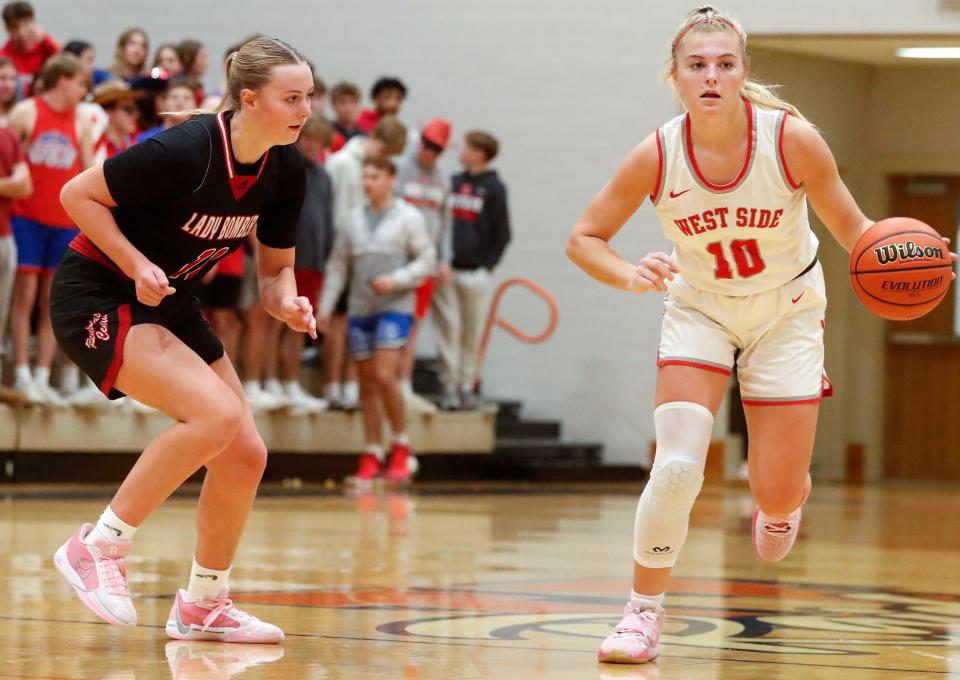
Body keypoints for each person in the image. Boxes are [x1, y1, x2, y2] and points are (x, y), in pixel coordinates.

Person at [566, 5, 957, 665]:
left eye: (725, 64)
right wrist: (632, 274)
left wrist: (917, 257)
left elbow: (856, 233)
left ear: (744, 71)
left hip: (787, 310)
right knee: (678, 467)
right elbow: (584, 239)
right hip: (700, 309)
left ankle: (782, 501)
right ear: (676, 76)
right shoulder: (657, 153)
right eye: (697, 65)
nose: (711, 75)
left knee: (773, 492)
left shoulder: (792, 141)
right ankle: (641, 614)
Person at [50, 36, 315, 643]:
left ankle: (204, 605)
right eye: (292, 97)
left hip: (168, 303)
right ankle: (100, 547)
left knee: (245, 454)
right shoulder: (186, 148)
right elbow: (77, 195)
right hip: (100, 295)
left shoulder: (285, 166)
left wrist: (288, 303)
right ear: (249, 99)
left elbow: (275, 271)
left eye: (308, 96)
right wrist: (135, 262)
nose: (305, 109)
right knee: (216, 414)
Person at [318, 157, 435, 487]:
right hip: (360, 308)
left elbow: (428, 259)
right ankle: (372, 451)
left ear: (390, 178)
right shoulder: (352, 220)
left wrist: (397, 280)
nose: (368, 182)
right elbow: (339, 266)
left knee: (386, 375)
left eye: (375, 175)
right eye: (365, 176)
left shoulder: (408, 217)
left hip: (395, 306)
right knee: (366, 384)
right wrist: (325, 306)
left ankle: (401, 444)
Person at [7, 52, 92, 405]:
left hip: (61, 223)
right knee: (24, 295)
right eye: (80, 83)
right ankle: (21, 372)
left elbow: (87, 174)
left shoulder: (82, 122)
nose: (84, 91)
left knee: (51, 300)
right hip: (25, 218)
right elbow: (7, 158)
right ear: (63, 80)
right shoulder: (27, 112)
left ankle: (43, 375)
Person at [324, 115, 407, 409]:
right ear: (376, 141)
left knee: (353, 320)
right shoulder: (341, 163)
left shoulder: (370, 169)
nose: (385, 161)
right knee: (336, 323)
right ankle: (332, 385)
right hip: (340, 249)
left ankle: (349, 385)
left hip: (361, 255)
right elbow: (330, 210)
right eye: (385, 153)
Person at [433, 130, 510, 410]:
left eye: (466, 147)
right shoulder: (451, 182)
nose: (460, 150)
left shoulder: (494, 188)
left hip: (475, 272)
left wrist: (487, 266)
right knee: (447, 330)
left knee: (470, 332)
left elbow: (503, 233)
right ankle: (449, 386)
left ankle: (467, 386)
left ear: (479, 152)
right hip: (447, 270)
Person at [394, 117, 452, 414]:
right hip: (399, 259)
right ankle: (387, 383)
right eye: (426, 145)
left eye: (436, 148)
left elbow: (445, 222)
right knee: (394, 321)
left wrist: (445, 260)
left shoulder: (443, 177)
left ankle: (404, 383)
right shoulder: (402, 169)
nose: (429, 152)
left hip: (426, 263)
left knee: (414, 324)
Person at [280, 111, 334, 414]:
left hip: (313, 259)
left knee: (299, 324)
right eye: (309, 138)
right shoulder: (287, 166)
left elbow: (326, 219)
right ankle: (269, 380)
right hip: (288, 257)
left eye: (319, 141)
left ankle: (290, 383)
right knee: (277, 321)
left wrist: (325, 256)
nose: (314, 145)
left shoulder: (323, 175)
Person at [0, 99, 28, 390]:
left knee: (2, 310)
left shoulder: (7, 135)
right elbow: (17, 182)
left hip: (4, 236)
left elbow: (25, 185)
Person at [0, 1, 59, 98]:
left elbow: (71, 64)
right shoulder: (3, 57)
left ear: (34, 24)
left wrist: (45, 38)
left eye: (26, 26)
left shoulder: (48, 49)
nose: (22, 33)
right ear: (7, 29)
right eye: (16, 28)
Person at [92, 79, 138, 161]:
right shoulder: (94, 144)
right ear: (108, 111)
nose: (135, 115)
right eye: (129, 109)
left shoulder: (134, 146)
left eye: (135, 109)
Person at [329, 80, 362, 153]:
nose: (349, 108)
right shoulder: (326, 132)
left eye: (353, 102)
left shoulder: (363, 137)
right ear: (333, 104)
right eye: (342, 102)